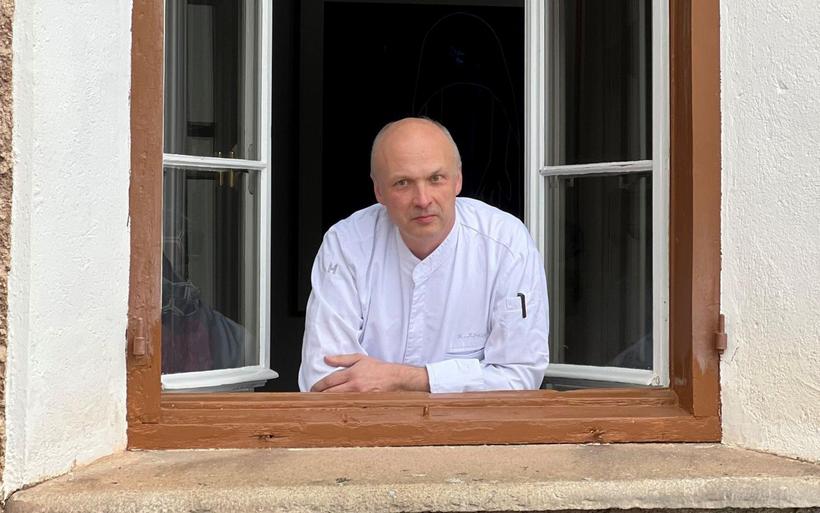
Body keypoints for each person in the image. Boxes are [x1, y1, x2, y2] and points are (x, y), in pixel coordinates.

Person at [298, 117, 548, 393]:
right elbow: (324, 381)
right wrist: (463, 381)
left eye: (435, 178)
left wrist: (403, 378)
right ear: (378, 191)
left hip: (474, 432)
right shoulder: (347, 244)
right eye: (403, 183)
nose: (423, 199)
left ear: (458, 180)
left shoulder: (505, 244)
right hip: (366, 431)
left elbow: (520, 376)